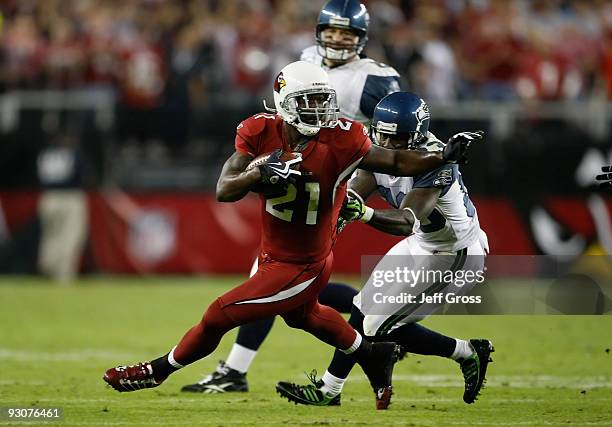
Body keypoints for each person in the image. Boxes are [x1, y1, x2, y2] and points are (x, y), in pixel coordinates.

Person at [103, 61, 480, 410]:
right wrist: (257, 174)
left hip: (305, 263)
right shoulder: (258, 130)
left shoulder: (345, 137)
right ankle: (373, 354)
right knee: (307, 316)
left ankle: (158, 371)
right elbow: (225, 189)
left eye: (323, 99)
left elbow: (398, 164)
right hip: (274, 251)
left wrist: (442, 154)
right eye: (309, 100)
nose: (319, 108)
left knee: (218, 314)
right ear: (285, 103)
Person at [181, 0, 403, 394]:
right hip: (300, 174)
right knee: (297, 283)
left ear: (362, 38)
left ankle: (236, 370)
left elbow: (381, 146)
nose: (337, 39)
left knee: (278, 274)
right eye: (331, 30)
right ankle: (382, 327)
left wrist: (347, 194)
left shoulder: (377, 78)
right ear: (319, 32)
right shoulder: (307, 59)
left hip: (333, 185)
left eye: (347, 33)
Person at [275, 92, 493, 407]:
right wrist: (329, 216)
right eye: (384, 136)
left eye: (398, 138)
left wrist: (360, 213)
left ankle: (467, 352)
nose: (388, 145)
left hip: (455, 254)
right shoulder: (375, 149)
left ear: (417, 134)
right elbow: (354, 193)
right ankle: (329, 389)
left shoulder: (435, 163)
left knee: (376, 327)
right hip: (423, 244)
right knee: (362, 309)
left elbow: (406, 220)